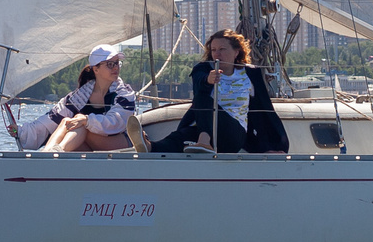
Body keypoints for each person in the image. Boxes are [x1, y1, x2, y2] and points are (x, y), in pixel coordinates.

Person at [150, 30, 287, 154]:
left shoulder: (250, 73)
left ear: (236, 52)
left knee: (206, 102)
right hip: (205, 128)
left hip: (234, 134)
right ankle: (150, 147)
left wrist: (269, 147)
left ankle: (204, 141)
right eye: (213, 50)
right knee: (182, 136)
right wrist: (207, 80)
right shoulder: (202, 69)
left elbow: (263, 110)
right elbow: (199, 81)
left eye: (222, 49)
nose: (217, 54)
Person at [42, 46, 143, 152]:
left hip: (122, 141)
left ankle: (58, 152)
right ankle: (47, 153)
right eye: (110, 64)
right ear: (96, 69)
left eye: (117, 63)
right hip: (92, 143)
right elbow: (50, 119)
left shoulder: (124, 93)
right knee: (66, 121)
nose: (115, 68)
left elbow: (116, 123)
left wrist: (87, 121)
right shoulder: (80, 96)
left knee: (81, 123)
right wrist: (83, 121)